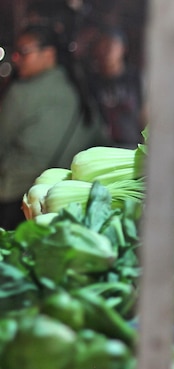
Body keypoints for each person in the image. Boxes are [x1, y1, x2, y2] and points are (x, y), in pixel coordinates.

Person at [0, 24, 104, 230]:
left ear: (48, 54)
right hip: (64, 202)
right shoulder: (80, 89)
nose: (16, 58)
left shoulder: (21, 94)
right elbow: (99, 138)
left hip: (15, 199)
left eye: (23, 52)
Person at [88, 26, 145, 148]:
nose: (107, 50)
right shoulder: (91, 82)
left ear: (123, 49)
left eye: (112, 45)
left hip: (132, 145)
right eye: (103, 45)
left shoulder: (136, 79)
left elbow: (145, 113)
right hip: (101, 147)